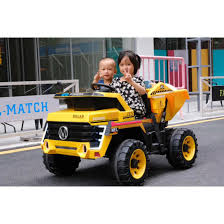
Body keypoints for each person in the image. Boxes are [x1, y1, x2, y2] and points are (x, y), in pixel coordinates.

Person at [111, 50, 147, 118]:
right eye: (122, 65)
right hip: (120, 112)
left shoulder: (137, 79)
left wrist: (131, 82)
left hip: (135, 111)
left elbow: (143, 92)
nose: (125, 67)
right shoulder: (116, 81)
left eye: (128, 64)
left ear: (135, 66)